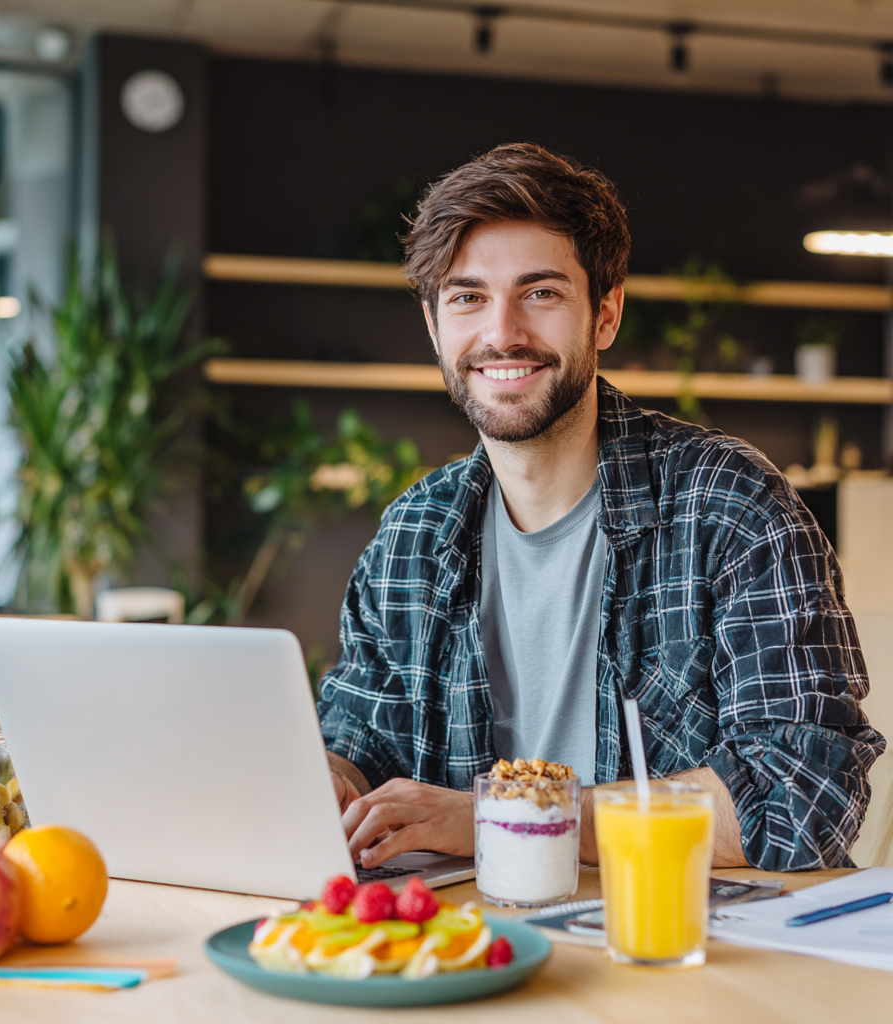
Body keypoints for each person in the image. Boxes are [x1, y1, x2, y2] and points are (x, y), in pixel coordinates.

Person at [318, 142, 884, 872]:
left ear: (606, 315)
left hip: (679, 953)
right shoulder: (411, 537)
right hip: (470, 945)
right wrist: (331, 781)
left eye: (542, 293)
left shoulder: (731, 508)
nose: (501, 333)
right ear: (435, 328)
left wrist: (505, 820)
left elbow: (800, 799)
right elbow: (361, 736)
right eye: (467, 297)